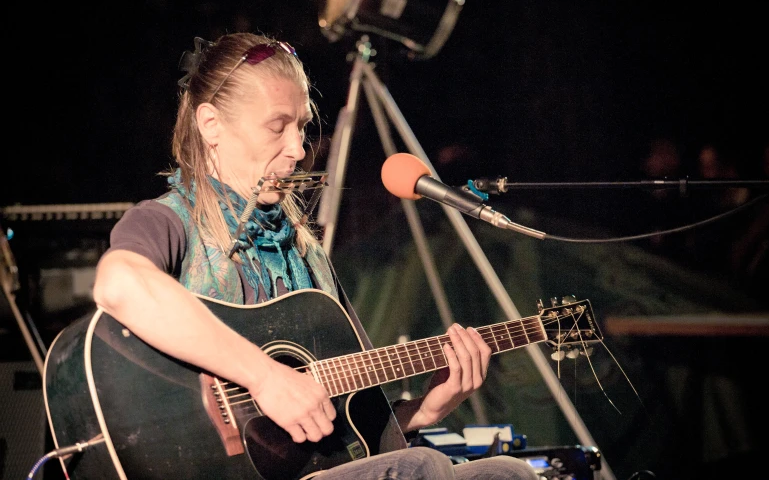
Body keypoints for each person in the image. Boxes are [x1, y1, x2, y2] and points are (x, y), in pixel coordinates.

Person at [91, 31, 538, 479]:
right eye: (276, 126)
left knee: (507, 474)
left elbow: (349, 436)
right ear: (211, 125)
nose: (298, 150)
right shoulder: (168, 220)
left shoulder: (305, 254)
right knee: (423, 466)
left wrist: (423, 410)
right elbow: (118, 282)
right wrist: (265, 377)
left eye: (302, 126)